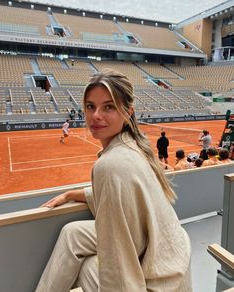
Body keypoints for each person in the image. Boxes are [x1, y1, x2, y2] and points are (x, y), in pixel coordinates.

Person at [36, 70, 192, 292]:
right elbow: (119, 193)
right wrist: (71, 194)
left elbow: (117, 263)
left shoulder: (110, 165)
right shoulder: (133, 146)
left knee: (91, 264)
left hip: (158, 283)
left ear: (127, 112)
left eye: (108, 107)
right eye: (91, 106)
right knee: (73, 234)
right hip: (172, 264)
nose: (96, 115)